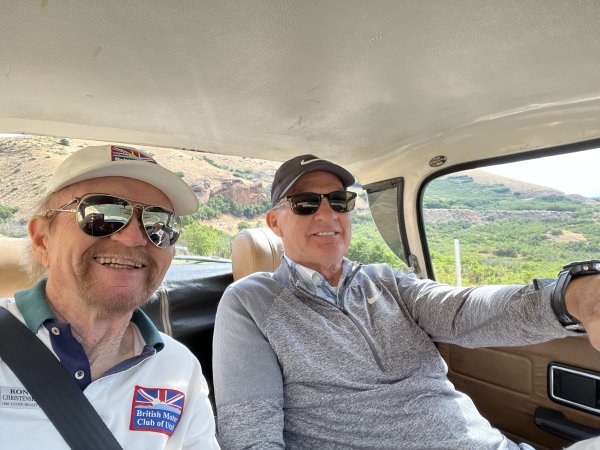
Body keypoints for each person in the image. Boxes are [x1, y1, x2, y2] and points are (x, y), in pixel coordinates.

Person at [213, 154, 600, 449]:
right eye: (305, 203)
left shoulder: (387, 281)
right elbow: (251, 436)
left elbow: (465, 309)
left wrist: (570, 297)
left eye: (339, 200)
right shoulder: (251, 303)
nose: (327, 214)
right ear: (275, 222)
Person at [0, 144, 220, 449]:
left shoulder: (180, 369)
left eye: (158, 223)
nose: (134, 238)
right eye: (101, 213)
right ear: (42, 239)